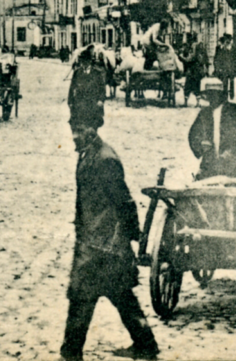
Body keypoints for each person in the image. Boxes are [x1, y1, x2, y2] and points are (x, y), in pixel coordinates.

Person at [60, 104, 160, 361]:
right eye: (73, 129)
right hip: (94, 240)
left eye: (79, 130)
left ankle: (71, 353)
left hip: (105, 243)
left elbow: (124, 201)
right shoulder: (89, 154)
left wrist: (132, 236)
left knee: (84, 296)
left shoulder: (105, 159)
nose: (74, 135)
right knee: (118, 294)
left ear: (92, 130)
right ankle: (146, 344)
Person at [188, 80, 236, 180]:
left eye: (215, 94)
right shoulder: (204, 113)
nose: (212, 97)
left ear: (222, 95)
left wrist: (233, 152)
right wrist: (201, 147)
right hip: (211, 164)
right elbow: (193, 134)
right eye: (209, 94)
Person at [68, 45, 107, 118]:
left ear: (90, 61)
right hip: (80, 105)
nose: (84, 63)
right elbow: (72, 87)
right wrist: (70, 102)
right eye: (82, 61)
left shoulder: (97, 73)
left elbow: (102, 88)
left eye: (86, 61)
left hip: (93, 104)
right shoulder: (77, 72)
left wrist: (101, 100)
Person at [179, 34, 208, 107]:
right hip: (197, 69)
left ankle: (186, 103)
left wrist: (181, 57)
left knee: (188, 85)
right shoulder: (199, 46)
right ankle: (197, 103)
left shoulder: (193, 46)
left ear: (190, 39)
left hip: (193, 69)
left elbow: (190, 58)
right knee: (197, 85)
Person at [213, 34, 236, 100]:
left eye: (228, 40)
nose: (227, 41)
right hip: (224, 68)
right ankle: (225, 95)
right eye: (226, 40)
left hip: (231, 68)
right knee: (225, 82)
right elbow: (218, 58)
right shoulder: (222, 48)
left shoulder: (234, 48)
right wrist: (218, 67)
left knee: (232, 82)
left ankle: (232, 95)